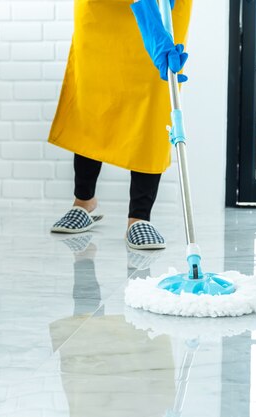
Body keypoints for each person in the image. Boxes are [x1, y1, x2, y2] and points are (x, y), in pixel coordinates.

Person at [48, 0, 193, 250]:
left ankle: (139, 217)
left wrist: (154, 27)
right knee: (93, 96)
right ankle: (84, 201)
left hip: (164, 6)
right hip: (101, 11)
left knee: (152, 105)